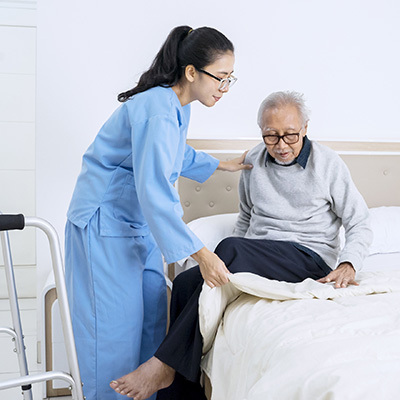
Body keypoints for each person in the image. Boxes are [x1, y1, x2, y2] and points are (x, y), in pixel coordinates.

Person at [109, 91, 373, 400]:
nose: (281, 146)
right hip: (258, 257)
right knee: (183, 283)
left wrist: (348, 262)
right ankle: (180, 395)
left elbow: (360, 221)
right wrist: (236, 267)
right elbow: (247, 219)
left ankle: (163, 363)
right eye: (271, 137)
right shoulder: (253, 161)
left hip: (308, 257)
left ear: (305, 128)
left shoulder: (328, 163)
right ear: (261, 130)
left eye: (290, 136)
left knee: (231, 248)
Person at [65, 25, 251, 400]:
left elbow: (173, 153)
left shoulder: (176, 109)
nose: (224, 88)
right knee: (114, 334)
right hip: (104, 224)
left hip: (138, 225)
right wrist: (202, 255)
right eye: (220, 78)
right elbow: (153, 191)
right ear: (192, 72)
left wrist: (223, 165)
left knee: (152, 322)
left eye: (231, 79)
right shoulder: (155, 109)